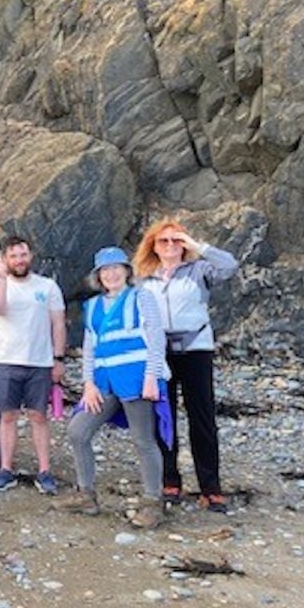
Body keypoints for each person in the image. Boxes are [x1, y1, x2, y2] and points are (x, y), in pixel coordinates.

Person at [57, 247, 168, 528]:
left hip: (136, 378)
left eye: (116, 268)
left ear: (127, 271)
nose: (111, 274)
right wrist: (88, 384)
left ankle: (152, 502)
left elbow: (156, 339)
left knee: (143, 440)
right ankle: (86, 495)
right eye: (105, 270)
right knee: (78, 431)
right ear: (98, 276)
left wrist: (152, 377)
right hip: (105, 381)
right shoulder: (93, 306)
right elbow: (90, 348)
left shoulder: (142, 297)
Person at [134, 220, 237, 512]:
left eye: (175, 240)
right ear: (152, 246)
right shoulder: (144, 279)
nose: (169, 246)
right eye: (162, 241)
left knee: (201, 417)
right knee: (163, 418)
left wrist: (197, 245)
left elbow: (229, 266)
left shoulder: (200, 270)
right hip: (157, 352)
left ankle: (210, 487)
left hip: (195, 350)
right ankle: (170, 480)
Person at [0, 235, 66, 495]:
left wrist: (59, 358)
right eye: (13, 256)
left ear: (30, 256)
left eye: (23, 255)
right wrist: (1, 280)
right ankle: (6, 469)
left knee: (38, 417)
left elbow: (58, 323)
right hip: (6, 360)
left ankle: (44, 470)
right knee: (7, 416)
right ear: (5, 260)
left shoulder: (48, 286)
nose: (19, 260)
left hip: (40, 362)